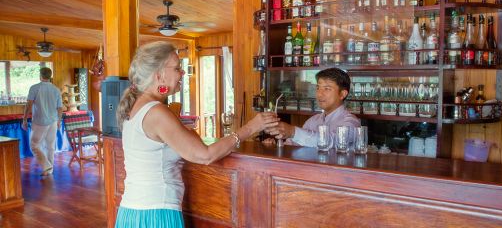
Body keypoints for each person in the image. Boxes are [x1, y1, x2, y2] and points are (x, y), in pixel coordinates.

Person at [115, 41, 278, 228]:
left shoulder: (136, 108)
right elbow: (205, 155)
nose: (182, 73)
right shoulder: (156, 112)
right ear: (159, 75)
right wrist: (250, 127)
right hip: (155, 213)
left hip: (131, 210)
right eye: (177, 68)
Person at [265, 68, 360, 147]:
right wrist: (278, 144)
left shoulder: (351, 122)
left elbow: (334, 142)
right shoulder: (312, 121)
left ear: (342, 94)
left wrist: (293, 131)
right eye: (318, 88)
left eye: (327, 89)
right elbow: (294, 144)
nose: (319, 93)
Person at [21, 67, 63, 176]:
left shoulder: (34, 88)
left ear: (40, 76)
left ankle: (47, 167)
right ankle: (49, 169)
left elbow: (28, 105)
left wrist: (24, 119)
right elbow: (60, 108)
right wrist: (59, 121)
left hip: (40, 121)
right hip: (53, 121)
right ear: (50, 76)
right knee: (50, 146)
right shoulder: (56, 89)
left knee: (34, 145)